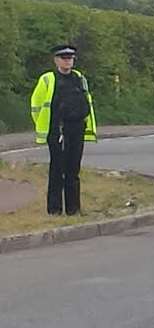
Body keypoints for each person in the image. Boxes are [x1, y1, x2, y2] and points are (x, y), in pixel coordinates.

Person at [30, 45, 97, 216]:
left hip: (76, 128)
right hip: (58, 130)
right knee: (57, 170)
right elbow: (36, 105)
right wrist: (46, 127)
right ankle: (54, 209)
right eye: (64, 58)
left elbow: (86, 101)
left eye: (70, 58)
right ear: (56, 60)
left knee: (73, 170)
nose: (67, 61)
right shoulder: (48, 79)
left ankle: (73, 209)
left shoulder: (79, 78)